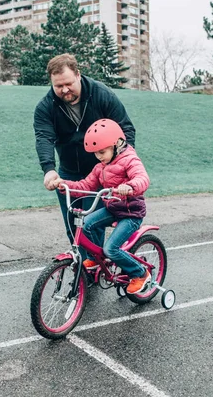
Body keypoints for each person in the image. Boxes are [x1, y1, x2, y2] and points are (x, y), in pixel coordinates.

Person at [33, 53, 137, 245]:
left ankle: (96, 273)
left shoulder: (102, 95)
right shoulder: (45, 107)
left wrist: (119, 164)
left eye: (69, 83)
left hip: (99, 172)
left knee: (91, 228)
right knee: (73, 230)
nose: (65, 90)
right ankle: (82, 272)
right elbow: (44, 138)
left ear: (78, 75)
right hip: (68, 173)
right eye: (58, 86)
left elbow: (126, 129)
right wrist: (49, 170)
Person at [51, 118, 151, 294]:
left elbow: (142, 178)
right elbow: (86, 186)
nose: (99, 157)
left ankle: (140, 273)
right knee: (86, 224)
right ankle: (95, 260)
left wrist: (131, 186)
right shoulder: (100, 167)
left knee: (111, 248)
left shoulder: (129, 160)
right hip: (113, 208)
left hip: (130, 212)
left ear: (117, 144)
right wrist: (64, 184)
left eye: (102, 152)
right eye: (95, 153)